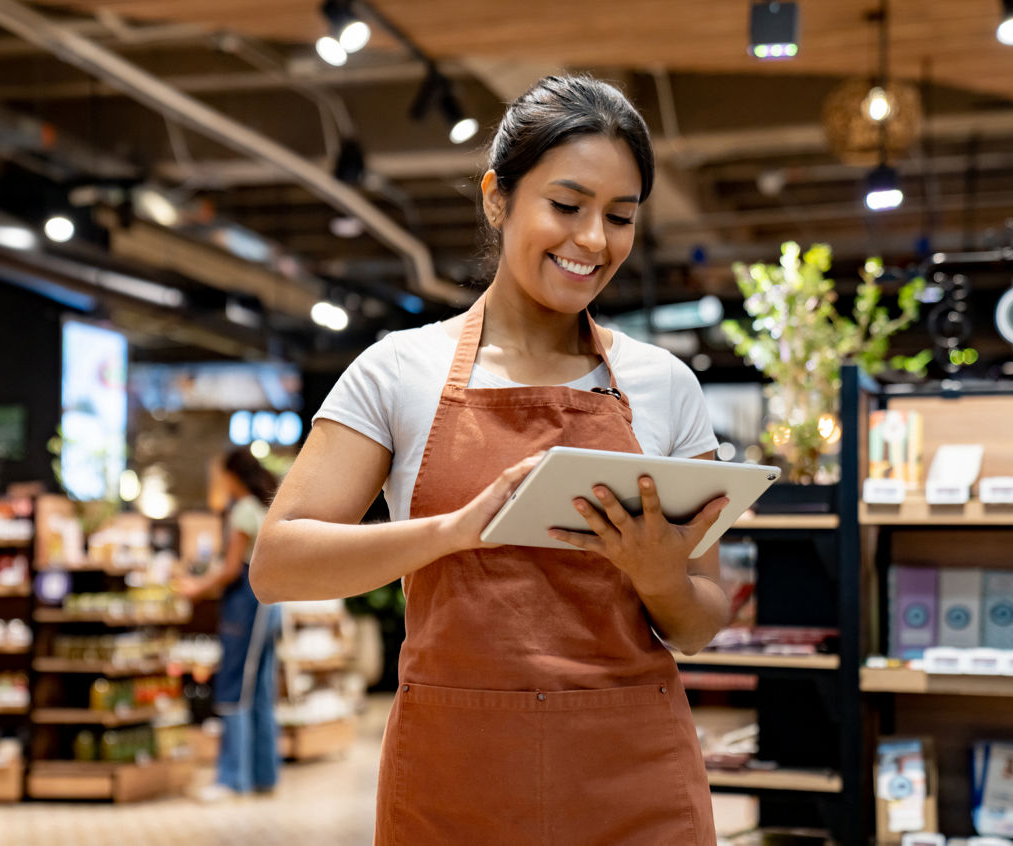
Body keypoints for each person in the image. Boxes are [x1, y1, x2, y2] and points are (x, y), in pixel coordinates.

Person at [251, 74, 729, 844]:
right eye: (567, 206)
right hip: (456, 778)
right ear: (496, 198)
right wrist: (457, 530)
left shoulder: (664, 385)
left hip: (631, 775)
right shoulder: (397, 370)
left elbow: (703, 622)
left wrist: (658, 574)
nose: (594, 241)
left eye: (621, 216)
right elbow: (278, 564)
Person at [179, 446, 282, 803]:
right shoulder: (264, 508)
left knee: (234, 687)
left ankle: (232, 778)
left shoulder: (242, 512)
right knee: (261, 690)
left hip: (247, 606)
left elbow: (229, 570)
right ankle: (264, 774)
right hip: (269, 605)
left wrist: (196, 587)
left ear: (230, 475)